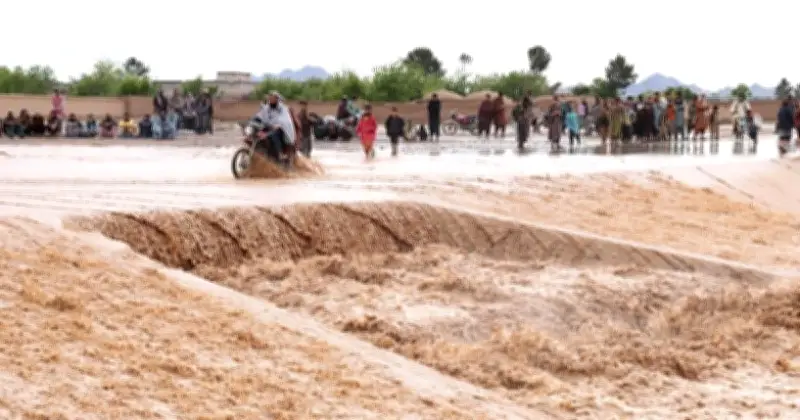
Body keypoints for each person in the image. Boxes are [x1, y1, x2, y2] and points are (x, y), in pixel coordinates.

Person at [254, 92, 296, 162]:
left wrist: (279, 124)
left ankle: (280, 153)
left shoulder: (282, 108)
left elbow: (284, 119)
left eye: (272, 98)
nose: (270, 100)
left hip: (281, 129)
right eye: (270, 98)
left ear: (277, 99)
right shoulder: (267, 107)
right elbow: (260, 115)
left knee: (274, 134)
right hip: (269, 126)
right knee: (255, 131)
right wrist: (253, 120)